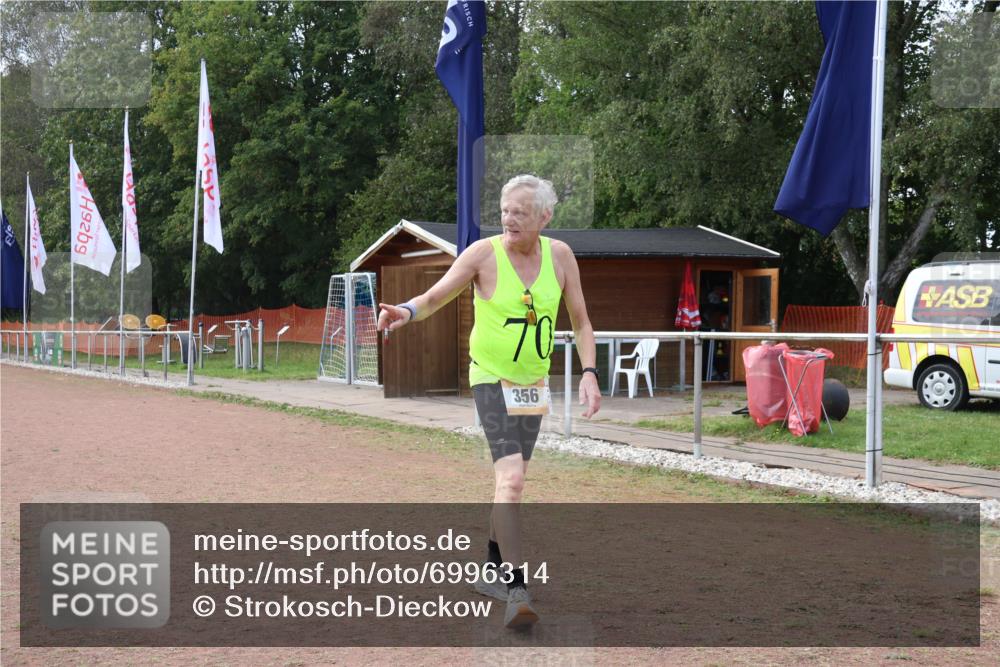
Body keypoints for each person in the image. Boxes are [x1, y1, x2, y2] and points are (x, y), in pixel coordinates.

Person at [377, 174, 601, 628]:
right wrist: (406, 311)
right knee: (512, 478)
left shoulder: (561, 257)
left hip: (532, 385)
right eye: (503, 210)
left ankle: (490, 570)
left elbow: (580, 321)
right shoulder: (482, 254)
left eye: (519, 211)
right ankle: (517, 591)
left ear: (544, 216)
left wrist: (589, 373)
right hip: (490, 379)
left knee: (510, 485)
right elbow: (437, 295)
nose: (508, 218)